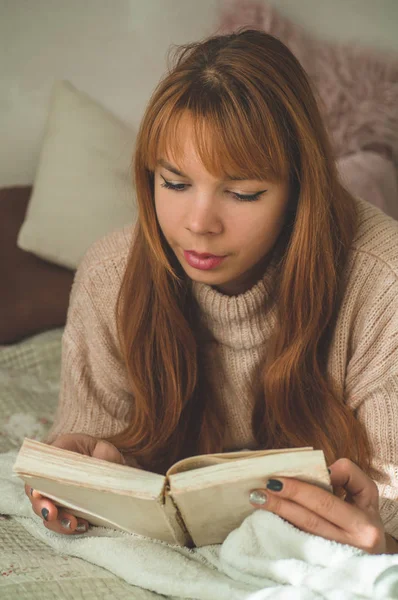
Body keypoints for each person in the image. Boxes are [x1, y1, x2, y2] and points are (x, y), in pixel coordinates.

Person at [26, 29, 398, 554]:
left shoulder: (384, 282)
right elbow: (94, 444)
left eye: (243, 193)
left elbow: (389, 507)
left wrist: (385, 540)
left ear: (300, 188)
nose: (198, 224)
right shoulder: (110, 274)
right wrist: (85, 475)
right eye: (174, 183)